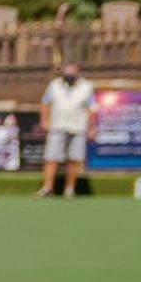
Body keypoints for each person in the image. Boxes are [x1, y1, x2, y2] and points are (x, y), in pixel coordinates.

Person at [37, 62, 97, 198]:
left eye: (72, 73)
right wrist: (44, 121)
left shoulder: (86, 87)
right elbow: (45, 103)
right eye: (67, 73)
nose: (69, 76)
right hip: (57, 127)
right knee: (51, 158)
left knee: (74, 159)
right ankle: (48, 188)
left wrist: (92, 127)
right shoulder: (54, 85)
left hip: (78, 128)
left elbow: (92, 109)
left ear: (77, 74)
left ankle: (69, 190)